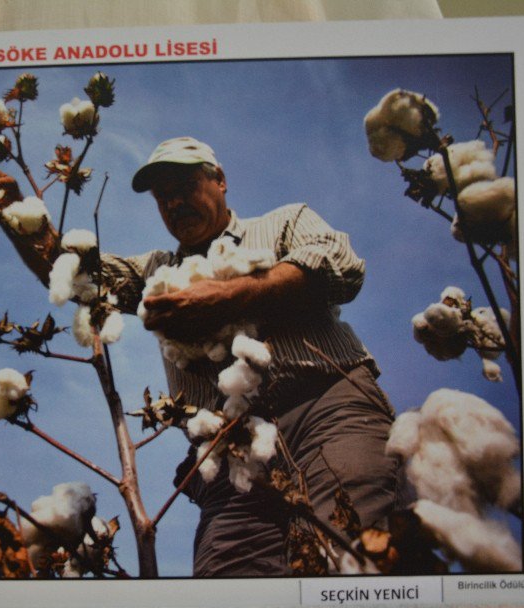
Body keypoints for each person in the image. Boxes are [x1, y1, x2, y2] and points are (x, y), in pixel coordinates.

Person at [94, 137, 403, 576]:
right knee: (231, 607)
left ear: (219, 180)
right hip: (229, 458)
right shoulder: (154, 272)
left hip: (324, 413)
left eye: (185, 184)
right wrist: (12, 214)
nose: (175, 201)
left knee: (355, 559)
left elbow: (340, 265)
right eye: (164, 197)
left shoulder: (282, 224)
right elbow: (74, 273)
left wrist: (229, 297)